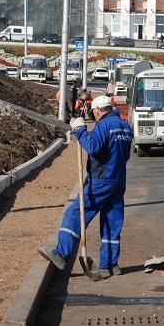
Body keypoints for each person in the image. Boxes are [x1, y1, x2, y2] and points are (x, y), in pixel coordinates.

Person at [39, 95, 133, 279]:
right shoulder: (125, 126)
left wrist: (81, 130)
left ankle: (61, 254)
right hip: (118, 181)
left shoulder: (104, 125)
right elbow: (125, 155)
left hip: (101, 181)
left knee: (75, 214)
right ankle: (110, 265)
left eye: (94, 114)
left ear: (97, 111)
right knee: (112, 223)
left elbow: (94, 147)